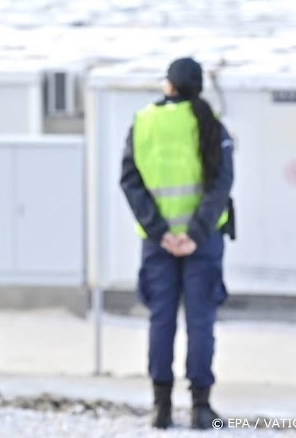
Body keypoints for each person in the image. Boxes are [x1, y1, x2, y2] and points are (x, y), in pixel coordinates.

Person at [120, 57, 234, 431]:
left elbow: (130, 181)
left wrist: (160, 232)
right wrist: (195, 234)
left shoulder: (143, 122)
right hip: (201, 242)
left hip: (159, 244)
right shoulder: (212, 126)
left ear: (168, 85)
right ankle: (201, 408)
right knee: (201, 322)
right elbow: (221, 185)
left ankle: (162, 408)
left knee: (161, 321)